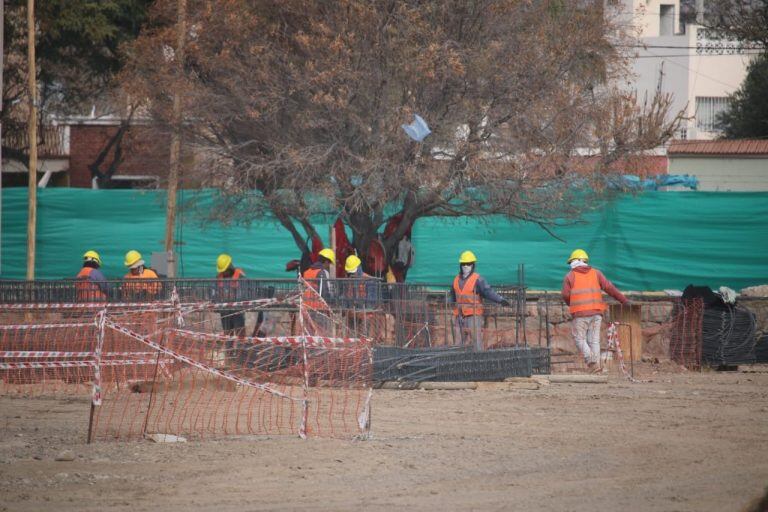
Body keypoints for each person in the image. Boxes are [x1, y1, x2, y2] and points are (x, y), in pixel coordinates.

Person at [561, 249, 629, 372]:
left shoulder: (570, 276)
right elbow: (609, 287)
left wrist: (571, 305)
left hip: (580, 314)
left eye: (571, 262)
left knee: (579, 338)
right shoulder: (596, 273)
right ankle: (596, 366)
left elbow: (565, 295)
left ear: (575, 261)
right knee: (594, 340)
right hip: (596, 313)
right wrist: (623, 300)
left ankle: (591, 360)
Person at [451, 251, 510, 351]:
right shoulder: (456, 279)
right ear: (460, 265)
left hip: (473, 315)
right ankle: (458, 361)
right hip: (459, 315)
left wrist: (500, 300)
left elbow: (488, 292)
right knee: (458, 342)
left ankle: (479, 361)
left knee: (476, 341)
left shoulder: (478, 279)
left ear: (473, 265)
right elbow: (453, 295)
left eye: (468, 264)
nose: (466, 266)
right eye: (464, 264)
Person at [301, 248, 335, 333]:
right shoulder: (322, 272)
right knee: (323, 333)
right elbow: (325, 291)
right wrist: (330, 304)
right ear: (326, 261)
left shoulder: (307, 271)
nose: (329, 265)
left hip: (306, 307)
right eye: (329, 263)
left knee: (310, 334)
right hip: (319, 308)